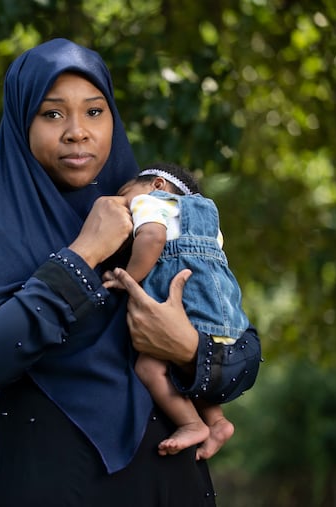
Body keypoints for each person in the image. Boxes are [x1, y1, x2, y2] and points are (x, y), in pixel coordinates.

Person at [0, 38, 261, 506]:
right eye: (52, 113)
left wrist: (186, 348)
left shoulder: (155, 209)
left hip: (167, 482)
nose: (77, 132)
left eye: (95, 112)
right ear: (22, 124)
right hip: (43, 483)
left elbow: (239, 344)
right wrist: (81, 256)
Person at [106, 162, 247, 461]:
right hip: (225, 314)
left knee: (149, 367)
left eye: (124, 195)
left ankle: (191, 424)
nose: (124, 204)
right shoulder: (210, 220)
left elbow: (153, 239)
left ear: (157, 185)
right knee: (190, 367)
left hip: (187, 309)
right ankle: (218, 423)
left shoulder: (150, 203)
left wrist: (127, 277)